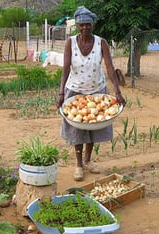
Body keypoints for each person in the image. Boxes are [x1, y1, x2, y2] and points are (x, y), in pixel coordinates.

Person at [57, 6, 126, 181]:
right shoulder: (70, 43)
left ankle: (88, 160)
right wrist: (61, 93)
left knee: (94, 127)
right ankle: (79, 164)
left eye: (88, 24)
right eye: (81, 25)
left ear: (92, 25)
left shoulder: (100, 42)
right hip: (76, 91)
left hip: (97, 91)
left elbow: (109, 67)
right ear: (77, 26)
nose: (85, 27)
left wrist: (117, 91)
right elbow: (65, 68)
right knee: (77, 128)